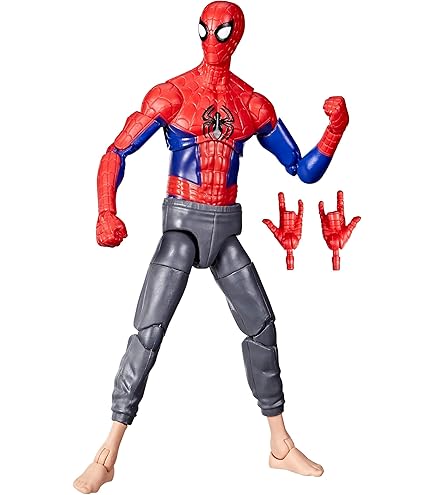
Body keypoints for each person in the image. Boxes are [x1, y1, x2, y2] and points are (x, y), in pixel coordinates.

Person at [74, 2, 348, 492]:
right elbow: (116, 151)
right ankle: (107, 451)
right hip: (181, 225)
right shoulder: (172, 94)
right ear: (199, 31)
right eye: (207, 29)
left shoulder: (252, 105)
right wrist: (105, 211)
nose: (214, 40)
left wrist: (334, 131)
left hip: (225, 231)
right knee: (147, 332)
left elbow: (302, 170)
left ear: (237, 35)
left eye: (224, 31)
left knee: (261, 326)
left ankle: (280, 445)